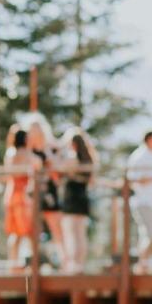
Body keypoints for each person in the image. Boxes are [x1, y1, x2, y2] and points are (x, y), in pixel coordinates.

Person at [23, 115, 64, 268]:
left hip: (50, 191)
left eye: (37, 130)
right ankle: (32, 260)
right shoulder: (27, 151)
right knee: (33, 228)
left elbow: (57, 167)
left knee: (56, 226)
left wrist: (47, 154)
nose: (35, 134)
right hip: (33, 192)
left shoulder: (51, 149)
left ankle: (63, 260)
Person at [58, 129, 96, 274]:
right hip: (83, 198)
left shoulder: (72, 157)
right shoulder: (89, 160)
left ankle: (73, 265)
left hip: (71, 199)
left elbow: (60, 168)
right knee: (81, 233)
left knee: (71, 233)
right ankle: (80, 264)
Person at [126, 130, 152, 273]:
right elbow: (134, 178)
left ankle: (146, 264)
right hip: (144, 202)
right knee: (151, 235)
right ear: (149, 139)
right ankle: (142, 264)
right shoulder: (139, 156)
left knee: (150, 235)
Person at [3, 126, 35, 270]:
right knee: (27, 230)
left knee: (16, 233)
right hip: (22, 196)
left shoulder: (10, 153)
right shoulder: (24, 154)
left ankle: (14, 264)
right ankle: (29, 263)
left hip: (11, 195)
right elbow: (36, 165)